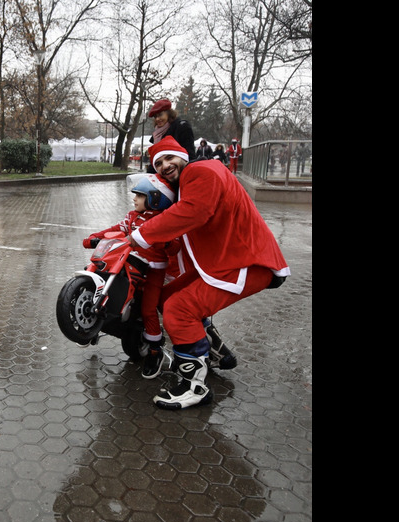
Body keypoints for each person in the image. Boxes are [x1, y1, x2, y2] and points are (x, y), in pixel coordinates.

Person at [128, 136, 290, 410]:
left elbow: (195, 211)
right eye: (159, 164)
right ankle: (213, 351)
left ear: (184, 156)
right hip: (229, 261)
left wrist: (143, 234)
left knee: (179, 310)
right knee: (167, 297)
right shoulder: (193, 179)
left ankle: (195, 387)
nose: (165, 166)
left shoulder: (201, 170)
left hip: (246, 262)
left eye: (170, 158)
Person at [83, 173, 177, 379]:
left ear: (155, 199)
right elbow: (117, 229)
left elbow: (175, 242)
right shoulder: (132, 216)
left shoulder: (165, 220)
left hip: (154, 269)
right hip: (129, 260)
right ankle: (94, 320)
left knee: (148, 308)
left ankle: (155, 351)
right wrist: (96, 237)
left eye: (140, 195)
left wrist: (166, 242)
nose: (134, 199)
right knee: (104, 270)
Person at [146, 99, 195, 174]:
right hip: (163, 174)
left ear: (169, 114)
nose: (157, 119)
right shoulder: (157, 134)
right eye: (155, 117)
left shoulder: (182, 127)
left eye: (160, 115)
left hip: (179, 173)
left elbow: (190, 155)